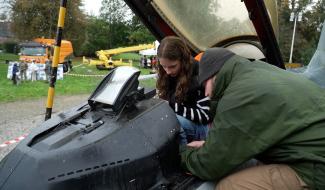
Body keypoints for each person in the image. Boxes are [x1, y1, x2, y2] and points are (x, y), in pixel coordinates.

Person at [180, 47, 325, 189]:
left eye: (204, 84)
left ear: (212, 75)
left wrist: (183, 154)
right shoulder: (258, 71)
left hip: (316, 168)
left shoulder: (238, 95)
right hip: (313, 151)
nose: (206, 94)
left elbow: (209, 165)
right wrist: (210, 146)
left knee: (229, 186)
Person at [157, 36, 211, 145]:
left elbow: (205, 116)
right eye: (163, 66)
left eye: (172, 66)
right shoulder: (168, 74)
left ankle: (183, 155)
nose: (167, 71)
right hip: (183, 120)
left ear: (183, 59)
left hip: (202, 127)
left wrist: (171, 106)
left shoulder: (200, 75)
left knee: (173, 123)